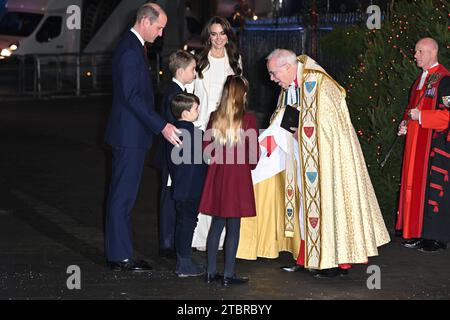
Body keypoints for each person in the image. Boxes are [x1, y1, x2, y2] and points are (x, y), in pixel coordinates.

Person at [237, 49, 390, 277]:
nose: (272, 79)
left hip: (326, 162)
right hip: (301, 157)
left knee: (327, 204)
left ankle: (333, 262)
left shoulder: (320, 84)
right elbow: (285, 118)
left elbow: (329, 126)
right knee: (304, 208)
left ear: (287, 67)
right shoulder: (291, 86)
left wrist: (305, 133)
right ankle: (306, 256)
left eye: (273, 73)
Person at [104, 3, 181, 272]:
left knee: (123, 196)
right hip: (129, 135)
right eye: (159, 28)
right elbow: (132, 97)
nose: (161, 34)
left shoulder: (133, 46)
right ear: (145, 22)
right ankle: (120, 256)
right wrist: (162, 126)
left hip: (131, 133)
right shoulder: (129, 49)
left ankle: (120, 253)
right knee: (122, 197)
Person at [189, 16, 243, 251]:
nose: (218, 38)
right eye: (214, 34)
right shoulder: (198, 60)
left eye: (222, 33)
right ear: (207, 36)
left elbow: (239, 94)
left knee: (222, 183)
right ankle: (201, 238)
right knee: (203, 183)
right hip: (201, 127)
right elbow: (190, 94)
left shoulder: (235, 60)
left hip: (227, 130)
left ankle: (220, 240)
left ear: (228, 35)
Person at [199, 75, 259, 286]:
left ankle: (211, 272)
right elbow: (253, 157)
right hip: (238, 177)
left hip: (218, 176)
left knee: (217, 224)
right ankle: (229, 274)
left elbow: (205, 149)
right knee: (234, 226)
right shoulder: (249, 119)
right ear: (243, 95)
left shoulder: (215, 116)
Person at [396, 37, 450, 252]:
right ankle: (416, 232)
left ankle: (434, 237)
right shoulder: (420, 79)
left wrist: (422, 116)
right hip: (416, 144)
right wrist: (405, 123)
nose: (415, 55)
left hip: (435, 145)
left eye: (420, 51)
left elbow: (448, 116)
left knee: (432, 189)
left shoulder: (445, 80)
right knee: (414, 188)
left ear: (433, 52)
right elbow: (412, 108)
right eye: (416, 51)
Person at [158, 50, 197, 258]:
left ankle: (170, 241)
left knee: (171, 196)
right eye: (192, 69)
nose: (195, 72)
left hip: (173, 154)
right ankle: (167, 243)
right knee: (170, 197)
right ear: (181, 71)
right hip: (173, 155)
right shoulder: (175, 94)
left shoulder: (175, 90)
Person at [167, 93, 207, 277]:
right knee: (188, 222)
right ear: (185, 112)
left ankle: (183, 260)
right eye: (195, 109)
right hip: (193, 187)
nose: (198, 111)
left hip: (179, 186)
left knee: (183, 221)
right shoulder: (195, 135)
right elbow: (202, 163)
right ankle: (184, 264)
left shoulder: (171, 133)